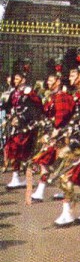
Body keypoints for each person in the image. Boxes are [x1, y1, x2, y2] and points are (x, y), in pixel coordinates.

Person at [53, 48, 80, 226]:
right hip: (77, 142)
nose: (70, 76)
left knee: (69, 177)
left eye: (73, 73)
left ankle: (69, 212)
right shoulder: (77, 95)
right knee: (76, 178)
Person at [30, 58, 75, 202]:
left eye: (50, 80)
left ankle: (41, 192)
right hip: (53, 135)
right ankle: (61, 190)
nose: (48, 82)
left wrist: (54, 133)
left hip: (60, 137)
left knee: (46, 162)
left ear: (58, 81)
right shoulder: (53, 96)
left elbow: (61, 118)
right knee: (57, 166)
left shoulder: (61, 96)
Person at [2, 58, 43, 189]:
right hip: (14, 125)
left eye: (18, 78)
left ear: (23, 80)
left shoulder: (29, 92)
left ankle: (26, 177)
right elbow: (9, 106)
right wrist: (9, 115)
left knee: (23, 151)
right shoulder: (14, 92)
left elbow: (35, 108)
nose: (15, 80)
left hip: (26, 126)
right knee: (12, 149)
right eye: (15, 78)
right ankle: (15, 177)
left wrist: (21, 119)